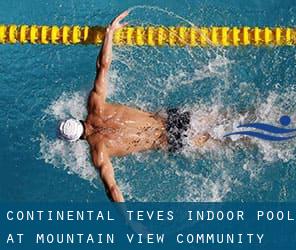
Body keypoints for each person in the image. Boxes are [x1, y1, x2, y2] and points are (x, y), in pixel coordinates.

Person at [58, 11, 210, 202]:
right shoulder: (95, 105)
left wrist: (131, 223)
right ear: (76, 119)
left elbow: (112, 189)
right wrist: (109, 33)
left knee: (228, 141)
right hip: (172, 118)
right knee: (226, 118)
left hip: (171, 140)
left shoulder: (99, 152)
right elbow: (103, 66)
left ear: (76, 140)